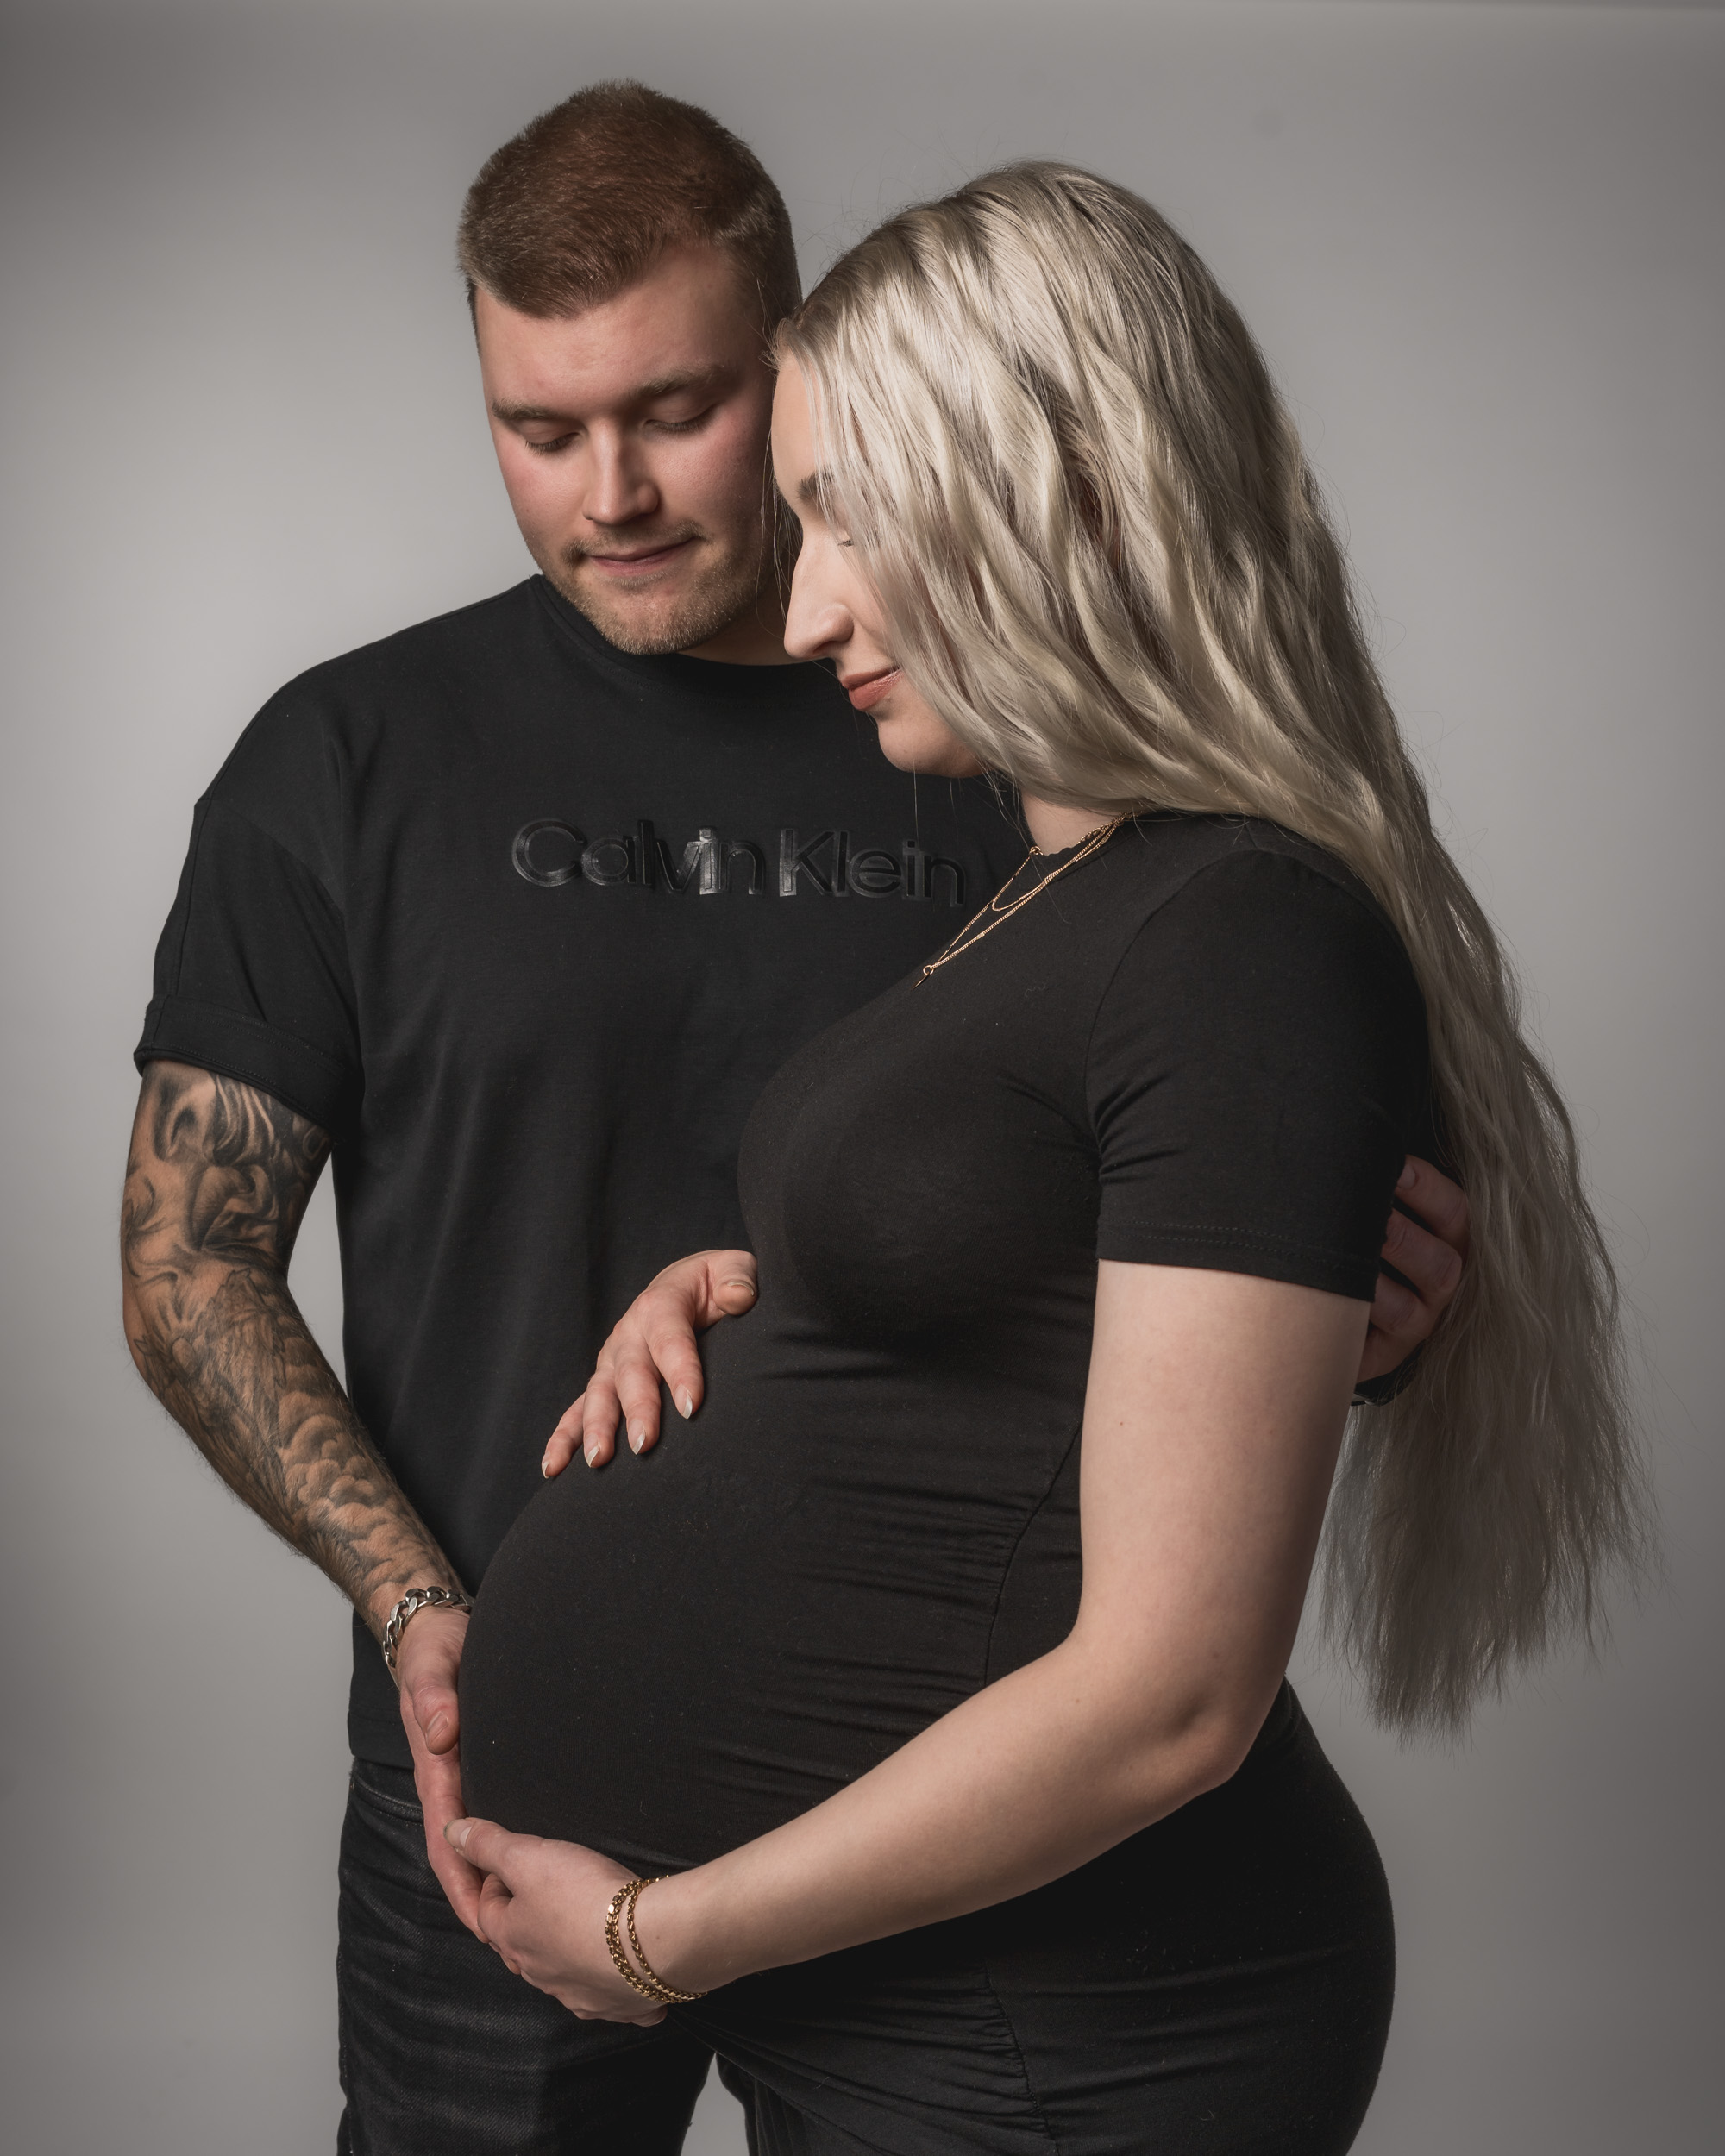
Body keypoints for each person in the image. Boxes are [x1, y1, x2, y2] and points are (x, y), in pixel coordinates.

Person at [119, 89, 1468, 2154]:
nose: (612, 490)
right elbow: (189, 1261)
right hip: (495, 1763)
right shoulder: (346, 761)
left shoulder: (1012, 744)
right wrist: (423, 1612)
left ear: (795, 354)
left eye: (679, 411)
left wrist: (1381, 1320)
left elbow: (1185, 1217)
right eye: (538, 428)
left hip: (958, 1819)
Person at [446, 164, 1644, 2156]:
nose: (807, 603)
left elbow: (1172, 1694)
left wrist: (663, 1938)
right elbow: (1032, 1292)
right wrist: (766, 1296)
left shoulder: (1237, 927)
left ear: (1062, 487)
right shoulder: (1077, 890)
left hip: (1060, 2032)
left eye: (853, 515)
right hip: (928, 2004)